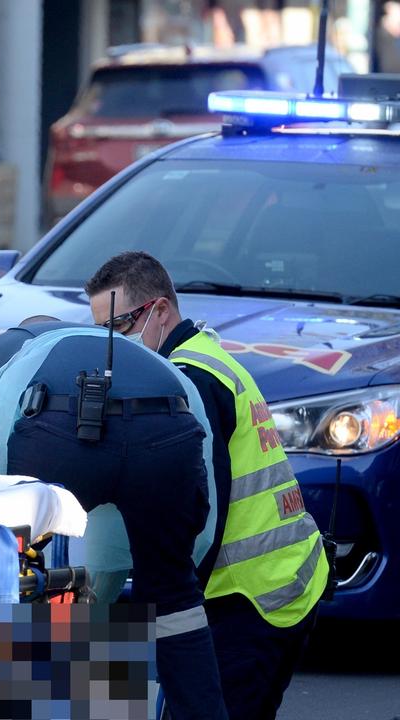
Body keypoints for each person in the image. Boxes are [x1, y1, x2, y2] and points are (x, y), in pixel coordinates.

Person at [85, 252, 328, 720]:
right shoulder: (203, 355)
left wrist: (168, 606)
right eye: (102, 331)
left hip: (250, 597)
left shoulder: (191, 380)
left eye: (118, 326)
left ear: (159, 311)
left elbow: (201, 510)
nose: (111, 343)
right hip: (281, 581)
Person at [0, 317, 227, 719]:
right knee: (175, 597)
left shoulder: (19, 361)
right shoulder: (158, 364)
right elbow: (199, 489)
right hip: (168, 432)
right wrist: (172, 569)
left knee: (10, 578)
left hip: (57, 428)